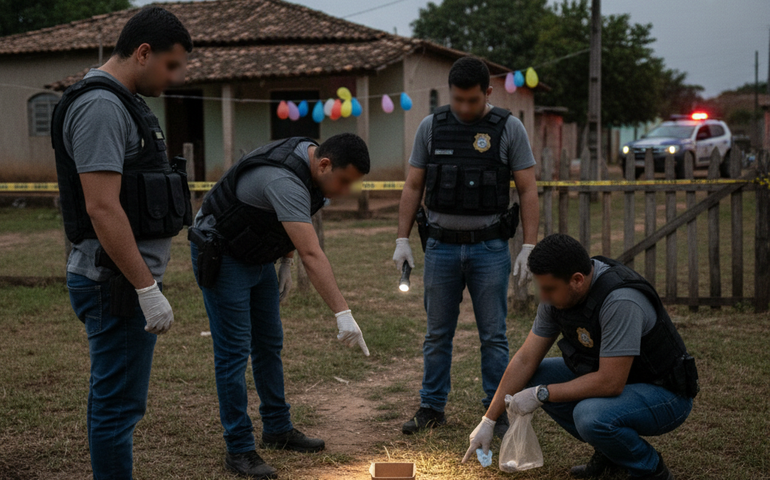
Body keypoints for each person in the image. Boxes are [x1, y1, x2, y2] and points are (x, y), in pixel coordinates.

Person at [51, 7, 193, 479]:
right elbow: (102, 207)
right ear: (143, 52)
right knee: (118, 409)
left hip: (118, 281)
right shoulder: (102, 106)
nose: (174, 78)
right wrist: (146, 289)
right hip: (114, 283)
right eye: (171, 66)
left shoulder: (122, 100)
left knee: (114, 401)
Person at [189, 133, 371, 479]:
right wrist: (343, 314)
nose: (346, 190)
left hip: (256, 253)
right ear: (324, 164)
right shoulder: (284, 179)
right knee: (233, 352)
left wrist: (284, 261)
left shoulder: (311, 161)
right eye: (344, 181)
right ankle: (239, 449)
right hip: (223, 254)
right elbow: (312, 253)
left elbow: (281, 222)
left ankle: (276, 428)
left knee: (269, 342)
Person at [463, 234, 699, 480]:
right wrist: (488, 420)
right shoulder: (558, 291)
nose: (543, 297)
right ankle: (611, 453)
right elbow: (525, 360)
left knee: (589, 415)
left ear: (577, 280)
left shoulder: (620, 301)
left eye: (549, 289)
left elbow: (610, 382)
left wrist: (541, 393)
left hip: (665, 393)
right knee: (535, 374)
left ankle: (651, 470)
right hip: (625, 381)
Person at [393, 56, 539, 437]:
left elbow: (527, 189)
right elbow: (413, 186)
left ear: (488, 93)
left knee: (494, 335)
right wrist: (401, 239)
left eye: (472, 100)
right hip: (440, 247)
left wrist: (529, 245)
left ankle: (498, 408)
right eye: (457, 100)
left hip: (489, 248)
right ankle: (431, 406)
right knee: (437, 333)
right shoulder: (431, 126)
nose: (463, 108)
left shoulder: (509, 128)